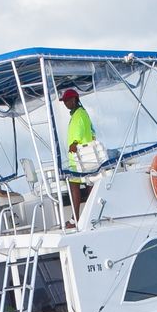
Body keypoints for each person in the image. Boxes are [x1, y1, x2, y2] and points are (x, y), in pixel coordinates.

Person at [60, 87, 97, 222]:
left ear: (75, 99)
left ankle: (76, 218)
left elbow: (80, 130)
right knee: (88, 184)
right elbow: (92, 132)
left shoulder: (79, 114)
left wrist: (75, 142)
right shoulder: (80, 113)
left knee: (75, 185)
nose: (66, 103)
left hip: (80, 157)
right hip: (82, 157)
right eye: (64, 101)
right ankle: (89, 214)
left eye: (68, 100)